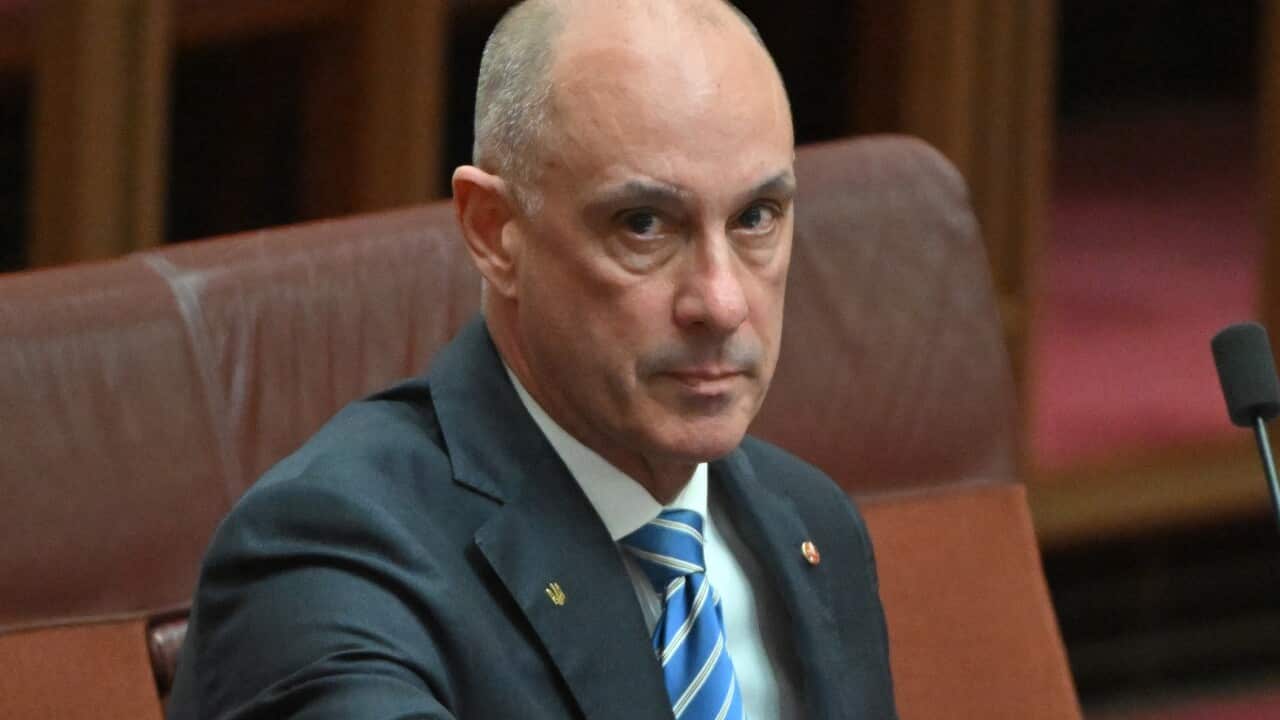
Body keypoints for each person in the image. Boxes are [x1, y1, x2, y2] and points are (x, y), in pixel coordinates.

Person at [166, 0, 897, 718]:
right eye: (643, 225)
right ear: (493, 232)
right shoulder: (327, 557)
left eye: (755, 219)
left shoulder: (811, 526)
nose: (722, 301)